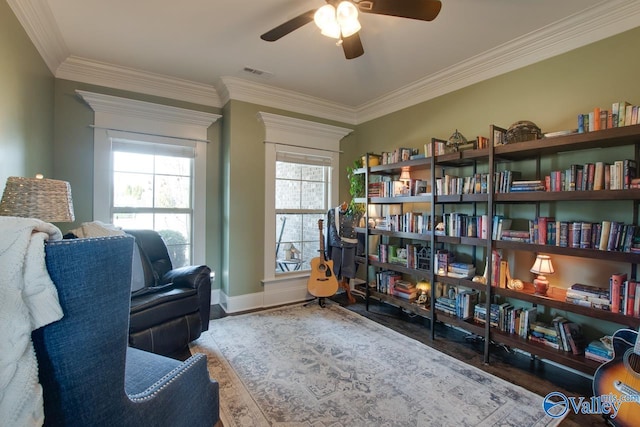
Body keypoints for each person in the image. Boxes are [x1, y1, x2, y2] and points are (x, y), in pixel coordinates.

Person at [326, 202, 360, 304]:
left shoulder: (356, 214)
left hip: (350, 246)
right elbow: (329, 231)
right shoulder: (332, 213)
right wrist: (328, 249)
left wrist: (360, 252)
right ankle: (333, 287)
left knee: (348, 267)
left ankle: (345, 285)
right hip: (335, 244)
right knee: (334, 267)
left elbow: (360, 234)